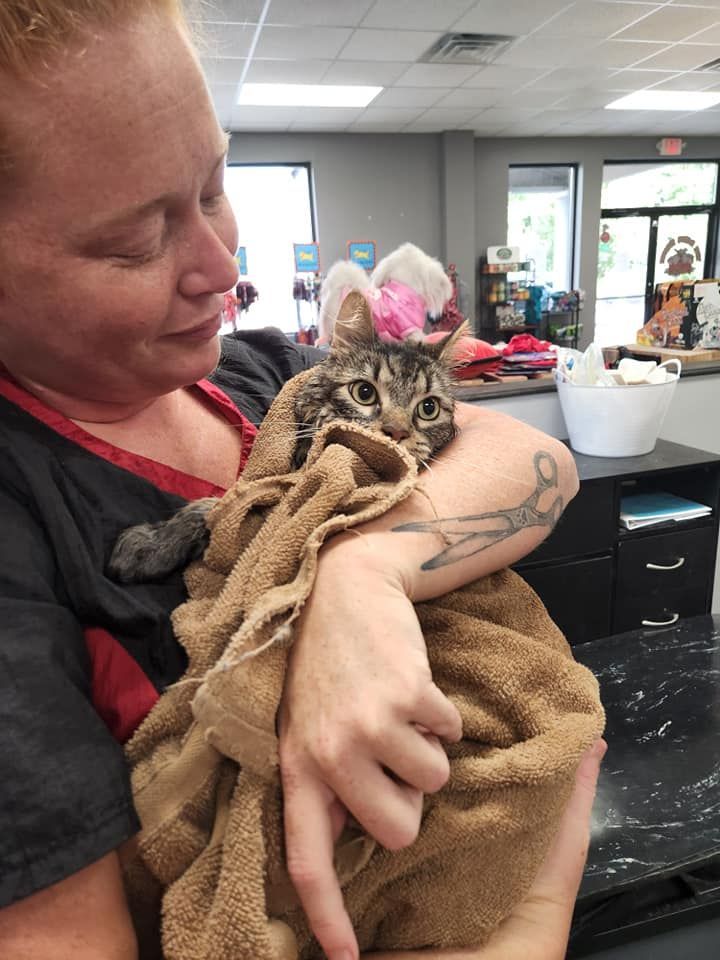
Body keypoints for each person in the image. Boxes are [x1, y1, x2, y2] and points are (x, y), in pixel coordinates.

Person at [0, 3, 601, 959]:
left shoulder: (264, 371)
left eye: (212, 186)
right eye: (131, 242)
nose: (221, 265)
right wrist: (519, 936)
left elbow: (541, 462)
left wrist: (356, 574)